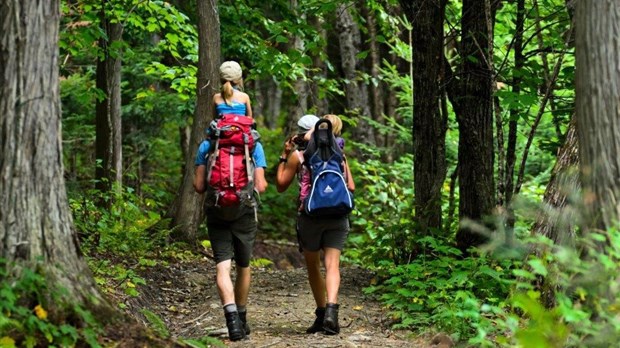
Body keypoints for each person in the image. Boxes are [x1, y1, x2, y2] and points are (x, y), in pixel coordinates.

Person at [193, 61, 267, 342]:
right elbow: (260, 184)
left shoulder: (206, 146)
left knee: (222, 266)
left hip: (216, 207)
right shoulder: (254, 146)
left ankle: (232, 321)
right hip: (245, 209)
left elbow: (200, 186)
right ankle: (243, 316)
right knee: (244, 266)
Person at [275, 114, 355, 335]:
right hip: (338, 215)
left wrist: (284, 155)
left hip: (310, 216)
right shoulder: (339, 152)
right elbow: (351, 186)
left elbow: (281, 185)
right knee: (333, 265)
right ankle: (332, 312)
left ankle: (321, 314)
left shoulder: (299, 155)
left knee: (313, 265)